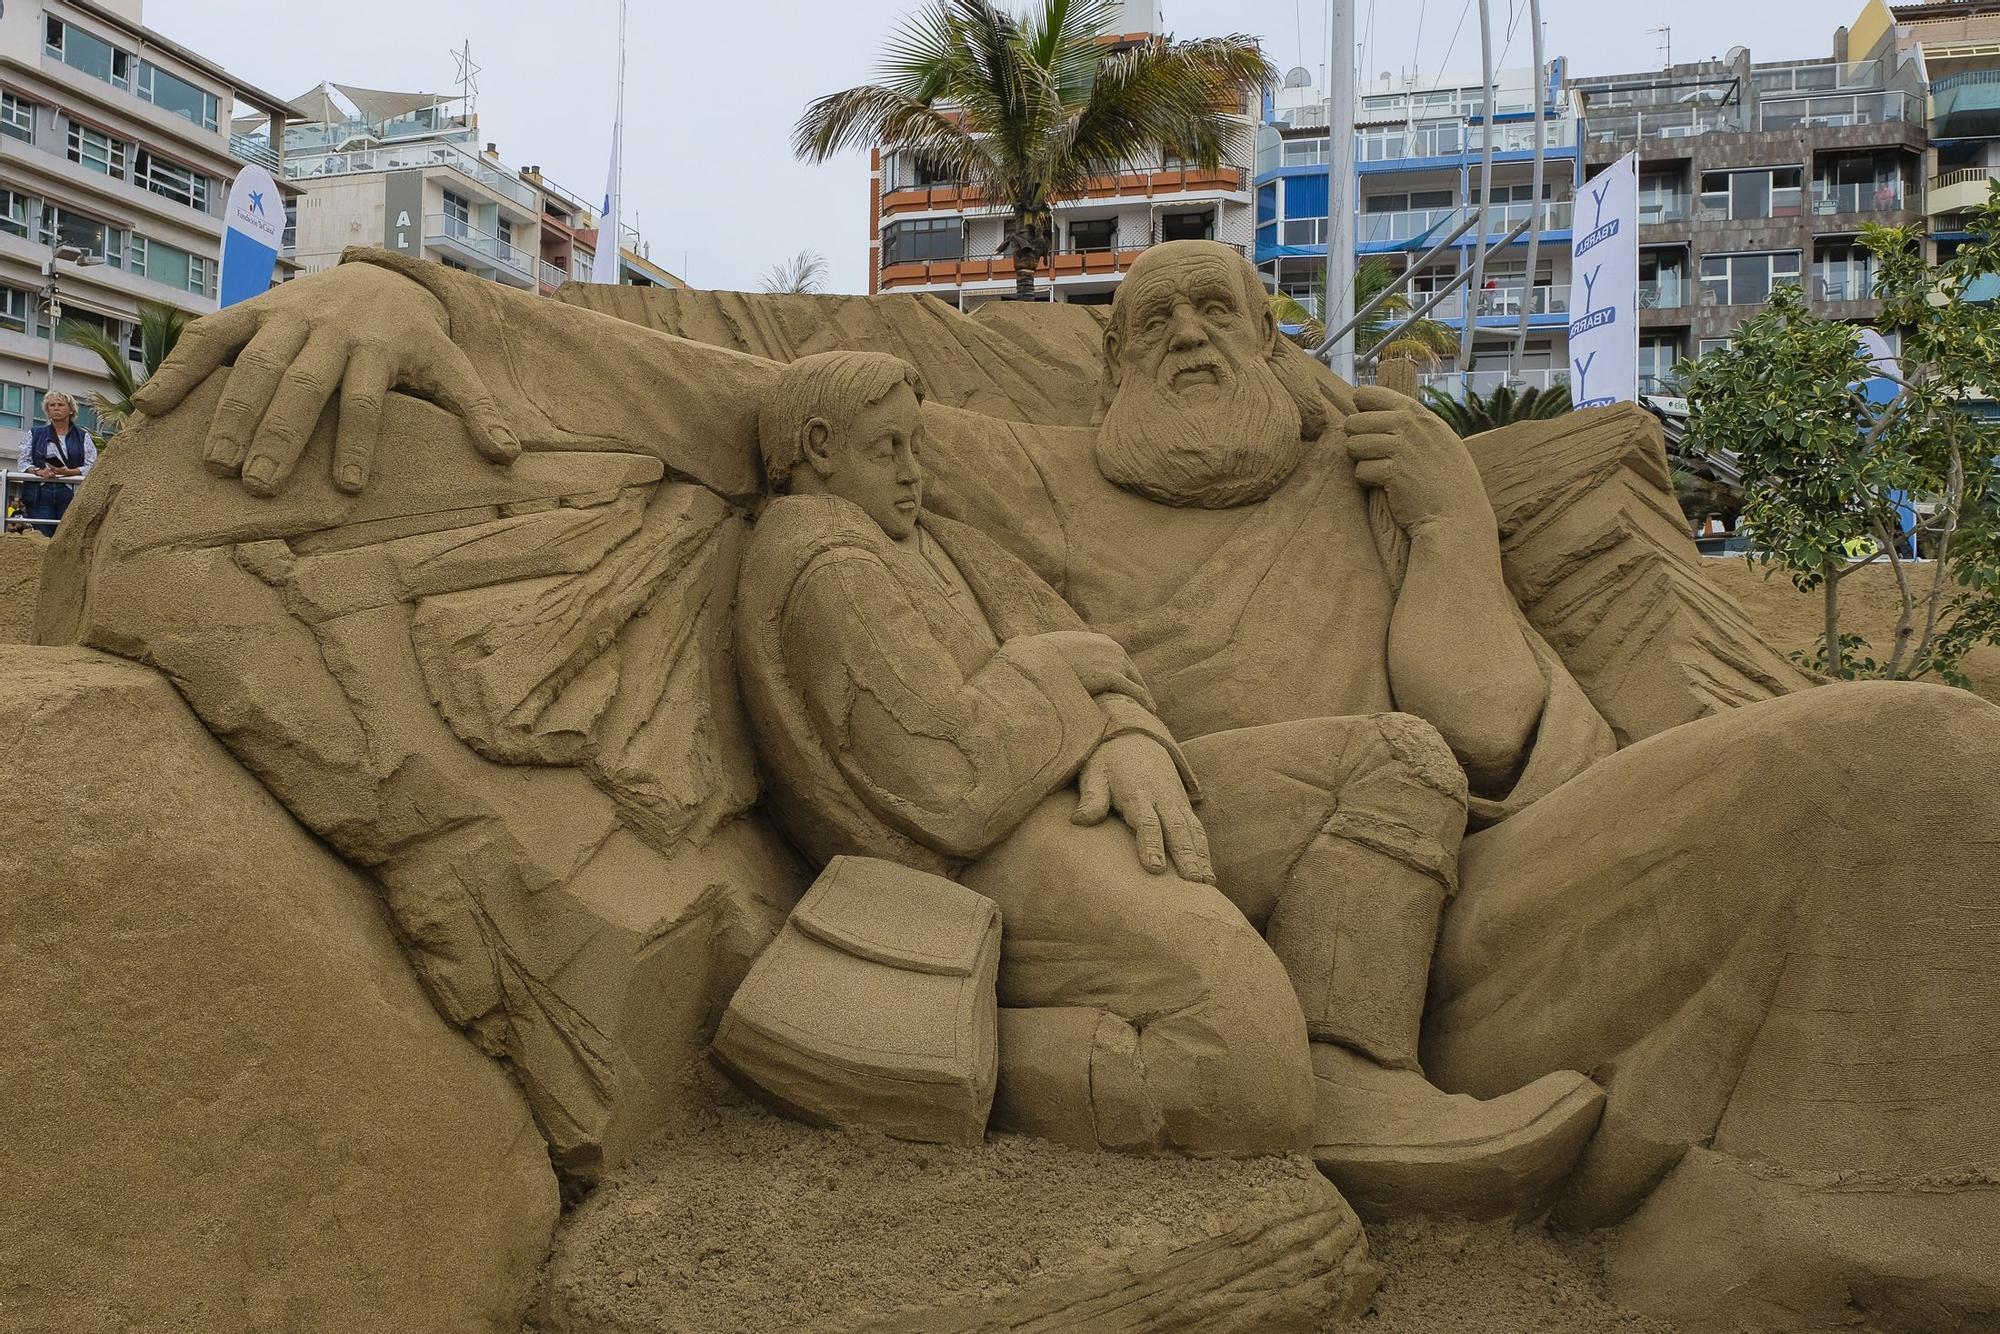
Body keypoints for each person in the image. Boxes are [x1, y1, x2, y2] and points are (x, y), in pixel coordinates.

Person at [111, 241, 2000, 1312]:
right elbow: (730, 375)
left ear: (1286, 352)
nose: (1184, 336)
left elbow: (1517, 750)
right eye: (1146, 320)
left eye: (1222, 314)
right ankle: (1284, 1083)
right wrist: (407, 293)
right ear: (1090, 371)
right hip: (1101, 877)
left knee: (1871, 761)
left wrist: (1445, 533)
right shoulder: (994, 460)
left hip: (1449, 904)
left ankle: (1359, 1071)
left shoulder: (1379, 477)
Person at [735, 348, 1313, 1156]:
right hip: (978, 859)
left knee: (1391, 763)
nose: (912, 474)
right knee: (1248, 1065)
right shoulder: (826, 564)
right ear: (821, 449)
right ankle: (944, 1050)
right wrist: (1056, 675)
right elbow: (948, 783)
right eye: (886, 450)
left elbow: (1087, 650)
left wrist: (1126, 734)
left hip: (1068, 785)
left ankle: (1361, 1069)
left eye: (915, 446)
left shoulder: (929, 539)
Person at [16, 390, 94, 532]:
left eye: (60, 404)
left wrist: (70, 472)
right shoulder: (34, 433)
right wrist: (39, 471)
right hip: (40, 492)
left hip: (71, 492)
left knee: (67, 534)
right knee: (43, 535)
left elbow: (93, 465)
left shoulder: (83, 436)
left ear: (71, 409)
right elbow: (23, 462)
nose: (56, 408)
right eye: (52, 405)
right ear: (47, 410)